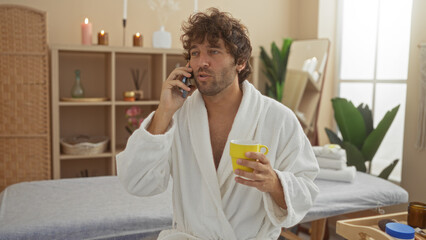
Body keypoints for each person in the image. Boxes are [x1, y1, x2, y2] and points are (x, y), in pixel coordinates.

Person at [116, 7, 319, 240]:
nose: (202, 62)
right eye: (194, 53)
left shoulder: (278, 119)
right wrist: (164, 112)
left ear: (240, 62)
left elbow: (307, 192)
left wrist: (274, 183)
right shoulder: (177, 118)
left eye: (213, 51)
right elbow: (136, 181)